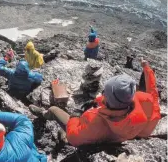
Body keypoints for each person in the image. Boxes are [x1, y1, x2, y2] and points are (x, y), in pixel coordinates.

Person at [29, 59, 161, 147]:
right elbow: (153, 92)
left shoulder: (96, 123)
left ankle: (46, 115)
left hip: (85, 136)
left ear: (108, 97)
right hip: (118, 137)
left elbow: (74, 136)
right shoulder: (144, 102)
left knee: (54, 110)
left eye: (105, 93)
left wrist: (75, 117)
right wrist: (147, 69)